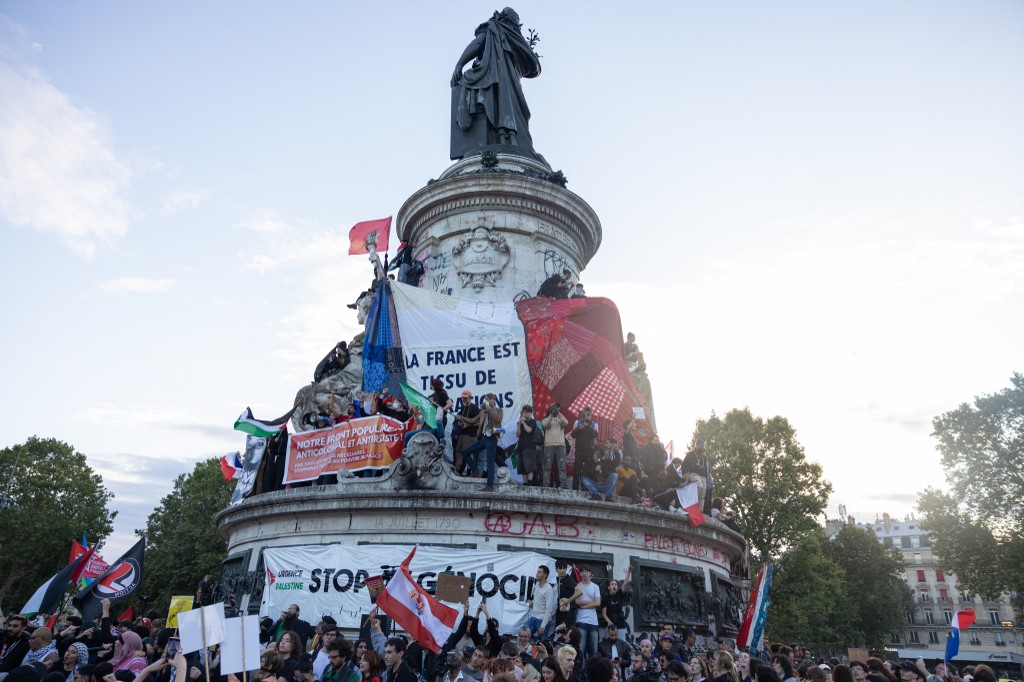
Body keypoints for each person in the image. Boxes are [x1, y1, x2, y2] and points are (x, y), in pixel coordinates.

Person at [450, 8, 542, 160]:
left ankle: (501, 138)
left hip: (498, 81)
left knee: (483, 91)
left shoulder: (494, 27)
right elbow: (534, 68)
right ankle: (507, 137)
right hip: (511, 87)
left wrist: (459, 65)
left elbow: (477, 43)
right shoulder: (517, 40)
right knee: (512, 110)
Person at [461, 393, 504, 492]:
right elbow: (472, 421)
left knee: (490, 462)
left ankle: (490, 486)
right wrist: (461, 418)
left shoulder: (498, 410)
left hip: (492, 438)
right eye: (486, 400)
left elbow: (499, 419)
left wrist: (490, 409)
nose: (487, 401)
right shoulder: (482, 411)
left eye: (489, 399)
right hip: (482, 438)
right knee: (465, 452)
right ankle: (475, 471)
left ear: (493, 400)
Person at [571, 566, 600, 659]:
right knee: (581, 649)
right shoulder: (578, 586)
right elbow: (577, 601)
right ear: (580, 574)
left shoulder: (595, 587)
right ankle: (581, 673)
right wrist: (592, 602)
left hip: (593, 621)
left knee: (594, 651)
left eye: (586, 571)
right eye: (582, 571)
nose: (584, 573)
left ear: (590, 573)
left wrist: (584, 606)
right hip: (581, 620)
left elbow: (598, 603)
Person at [541, 404, 569, 488]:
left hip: (560, 446)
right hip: (549, 446)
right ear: (549, 409)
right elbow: (544, 425)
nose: (554, 409)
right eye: (553, 407)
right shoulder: (545, 418)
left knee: (561, 467)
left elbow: (566, 423)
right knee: (547, 467)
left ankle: (563, 485)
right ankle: (546, 485)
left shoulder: (561, 417)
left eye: (556, 407)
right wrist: (551, 415)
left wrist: (559, 414)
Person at [570, 408, 599, 491]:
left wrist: (588, 426)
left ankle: (586, 489)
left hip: (589, 450)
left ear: (591, 415)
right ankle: (575, 489)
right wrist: (580, 427)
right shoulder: (577, 422)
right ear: (583, 414)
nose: (587, 416)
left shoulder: (594, 425)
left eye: (589, 414)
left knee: (588, 470)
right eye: (586, 414)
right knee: (576, 469)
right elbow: (573, 435)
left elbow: (595, 435)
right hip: (579, 449)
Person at [454, 390, 482, 474]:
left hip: (470, 436)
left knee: (469, 454)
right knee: (458, 453)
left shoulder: (475, 408)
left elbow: (480, 423)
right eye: (462, 398)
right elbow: (458, 418)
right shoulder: (463, 408)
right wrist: (458, 420)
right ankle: (457, 472)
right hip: (462, 435)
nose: (463, 399)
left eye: (465, 398)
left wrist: (468, 425)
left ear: (470, 398)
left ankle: (471, 472)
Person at [515, 405, 543, 485]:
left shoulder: (533, 422)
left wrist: (523, 423)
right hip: (521, 446)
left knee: (530, 465)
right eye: (524, 412)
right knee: (522, 466)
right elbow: (518, 434)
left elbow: (529, 430)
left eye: (527, 412)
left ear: (530, 413)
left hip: (529, 446)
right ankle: (525, 482)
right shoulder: (519, 423)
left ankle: (530, 481)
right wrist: (519, 425)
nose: (525, 414)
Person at [525, 566, 553, 638]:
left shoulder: (548, 589)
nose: (537, 574)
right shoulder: (537, 584)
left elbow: (549, 609)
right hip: (533, 617)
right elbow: (539, 599)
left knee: (542, 643)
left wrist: (543, 626)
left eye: (539, 572)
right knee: (523, 632)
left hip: (542, 620)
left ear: (545, 575)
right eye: (537, 572)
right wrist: (532, 602)